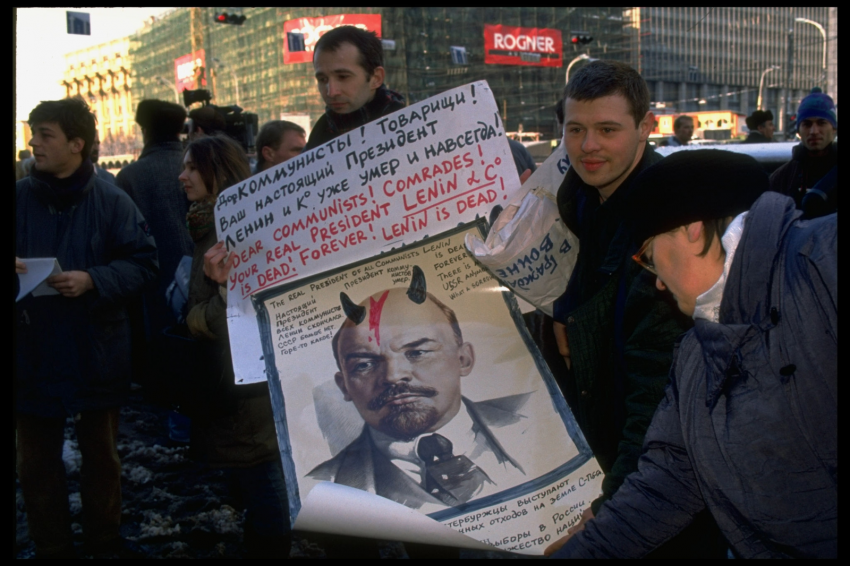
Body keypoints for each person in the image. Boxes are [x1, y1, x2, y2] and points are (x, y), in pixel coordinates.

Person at [547, 149, 836, 559]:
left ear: (692, 230)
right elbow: (666, 480)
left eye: (648, 257)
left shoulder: (823, 261)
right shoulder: (694, 357)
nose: (657, 283)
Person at [551, 60, 720, 557]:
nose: (588, 146)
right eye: (575, 130)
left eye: (607, 129)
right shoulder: (581, 200)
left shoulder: (666, 225)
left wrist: (612, 508)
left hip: (654, 488)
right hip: (605, 451)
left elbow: (657, 396)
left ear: (646, 126)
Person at [16, 98, 158, 558]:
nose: (34, 142)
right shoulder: (18, 199)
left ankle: (103, 542)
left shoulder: (112, 199)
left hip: (96, 350)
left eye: (45, 134)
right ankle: (50, 546)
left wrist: (93, 279)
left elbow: (144, 263)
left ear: (76, 144)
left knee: (101, 458)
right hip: (31, 351)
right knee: (35, 463)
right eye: (33, 133)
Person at [309, 270, 540, 510]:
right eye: (365, 365)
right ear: (344, 385)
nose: (393, 376)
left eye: (417, 353)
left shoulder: (543, 413)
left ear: (463, 359)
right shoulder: (321, 490)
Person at [178, 134, 290, 558]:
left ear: (217, 173)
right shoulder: (206, 224)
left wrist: (210, 308)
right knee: (260, 492)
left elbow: (250, 310)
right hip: (233, 385)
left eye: (192, 168)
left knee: (268, 496)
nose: (182, 175)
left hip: (249, 390)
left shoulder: (238, 228)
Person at [116, 99, 194, 399]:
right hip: (202, 273)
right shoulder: (195, 164)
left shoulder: (131, 176)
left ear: (144, 130)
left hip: (155, 279)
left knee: (163, 346)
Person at [303, 25, 405, 151]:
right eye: (323, 79)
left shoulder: (413, 127)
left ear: (376, 78)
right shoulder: (320, 133)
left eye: (343, 77)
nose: (331, 92)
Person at [769, 87, 837, 215]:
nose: (814, 131)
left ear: (834, 128)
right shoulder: (782, 177)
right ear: (799, 131)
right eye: (807, 124)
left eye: (821, 123)